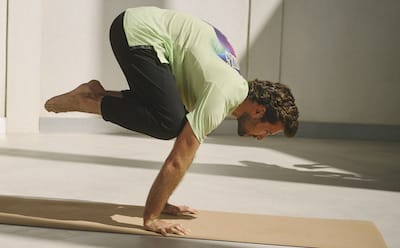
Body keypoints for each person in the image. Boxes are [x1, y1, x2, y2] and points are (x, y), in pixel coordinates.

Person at [45, 7, 299, 236]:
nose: (261, 137)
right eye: (267, 131)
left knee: (170, 115)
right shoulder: (223, 93)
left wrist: (163, 200)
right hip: (139, 32)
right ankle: (86, 101)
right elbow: (179, 158)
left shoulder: (226, 83)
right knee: (169, 124)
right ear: (258, 111)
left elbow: (160, 100)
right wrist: (152, 218)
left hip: (143, 30)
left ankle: (93, 94)